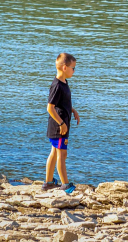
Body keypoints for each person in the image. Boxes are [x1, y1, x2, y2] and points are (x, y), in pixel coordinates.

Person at [43, 53, 80, 194]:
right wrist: (61, 123)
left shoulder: (64, 82)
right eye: (73, 68)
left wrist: (72, 110)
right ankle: (65, 184)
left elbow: (61, 103)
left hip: (61, 124)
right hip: (59, 127)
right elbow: (50, 107)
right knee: (62, 154)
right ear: (64, 67)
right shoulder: (57, 85)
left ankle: (48, 182)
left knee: (54, 152)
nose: (74, 71)